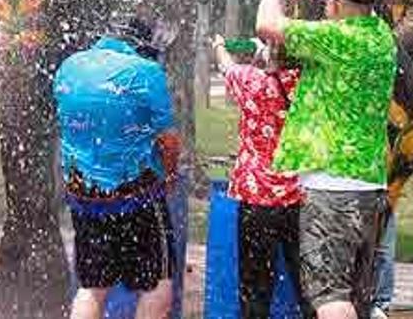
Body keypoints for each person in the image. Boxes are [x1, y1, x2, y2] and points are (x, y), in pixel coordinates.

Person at [256, 0, 397, 319]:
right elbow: (357, 5)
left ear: (335, 5)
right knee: (358, 297)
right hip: (370, 188)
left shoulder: (334, 38)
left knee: (329, 295)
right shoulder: (381, 36)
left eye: (328, 1)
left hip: (332, 188)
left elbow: (267, 25)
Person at [54, 17, 181, 319]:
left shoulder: (69, 66)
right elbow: (168, 140)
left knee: (92, 286)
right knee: (157, 283)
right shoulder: (147, 72)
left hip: (84, 197)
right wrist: (171, 175)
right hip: (138, 196)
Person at [211, 35, 308, 318]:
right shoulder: (307, 87)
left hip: (256, 200)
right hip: (298, 198)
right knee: (308, 286)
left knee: (255, 289)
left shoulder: (251, 81)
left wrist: (218, 45)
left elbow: (227, 67)